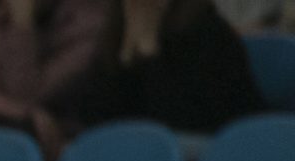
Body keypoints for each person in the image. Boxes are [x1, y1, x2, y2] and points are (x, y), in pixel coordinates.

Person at [53, 0, 266, 135]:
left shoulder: (208, 32)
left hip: (213, 157)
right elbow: (97, 124)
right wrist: (128, 51)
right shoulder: (116, 34)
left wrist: (147, 46)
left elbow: (177, 123)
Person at [0, 0, 111, 140]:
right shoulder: (2, 17)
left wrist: (23, 24)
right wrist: (25, 113)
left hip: (56, 135)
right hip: (12, 120)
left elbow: (26, 94)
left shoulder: (88, 25)